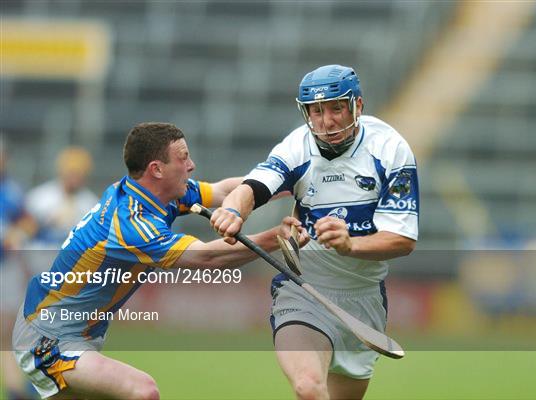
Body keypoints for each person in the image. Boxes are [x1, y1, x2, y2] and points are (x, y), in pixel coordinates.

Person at [12, 122, 308, 400]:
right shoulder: (131, 224)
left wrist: (289, 182)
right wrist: (274, 237)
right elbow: (207, 258)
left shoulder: (158, 194)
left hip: (80, 334)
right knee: (143, 390)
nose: (191, 165)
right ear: (156, 169)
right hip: (50, 337)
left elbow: (222, 190)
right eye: (183, 158)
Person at [210, 65, 419, 399]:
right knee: (309, 387)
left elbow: (403, 240)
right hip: (303, 291)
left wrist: (350, 245)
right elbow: (254, 186)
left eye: (337, 108)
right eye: (317, 111)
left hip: (363, 300)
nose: (327, 121)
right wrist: (234, 211)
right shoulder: (297, 146)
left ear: (358, 106)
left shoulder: (390, 150)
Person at [0, 137, 39, 400]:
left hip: (5, 269)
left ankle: (15, 388)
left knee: (6, 333)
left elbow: (28, 222)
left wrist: (17, 233)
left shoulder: (12, 190)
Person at [25, 146, 98, 249]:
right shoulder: (40, 196)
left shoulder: (91, 203)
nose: (74, 179)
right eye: (71, 173)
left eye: (79, 174)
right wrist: (46, 221)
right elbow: (24, 230)